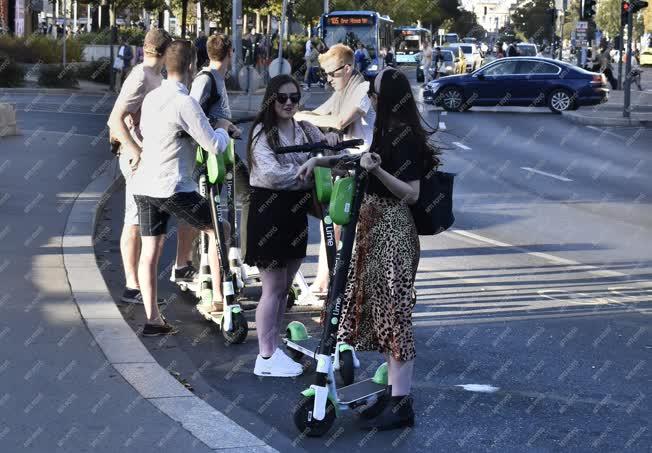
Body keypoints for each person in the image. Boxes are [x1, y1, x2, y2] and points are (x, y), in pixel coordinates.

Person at [332, 67, 438, 430]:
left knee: (395, 315)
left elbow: (411, 193)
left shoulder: (404, 135)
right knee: (381, 313)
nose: (370, 100)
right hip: (375, 229)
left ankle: (402, 402)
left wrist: (375, 172)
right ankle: (393, 394)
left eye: (374, 94)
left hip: (393, 231)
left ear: (388, 98)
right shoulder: (386, 130)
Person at [130, 40, 233, 336]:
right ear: (191, 67)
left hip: (145, 184)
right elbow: (213, 144)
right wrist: (224, 127)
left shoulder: (152, 97)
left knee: (150, 249)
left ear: (165, 64)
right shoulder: (184, 102)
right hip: (173, 186)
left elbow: (146, 132)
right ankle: (218, 298)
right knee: (219, 228)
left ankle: (152, 319)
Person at [244, 74, 340, 376]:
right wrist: (308, 173)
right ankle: (266, 356)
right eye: (282, 97)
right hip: (269, 211)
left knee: (285, 288)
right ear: (271, 99)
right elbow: (271, 175)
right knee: (272, 288)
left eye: (294, 98)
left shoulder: (306, 129)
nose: (288, 103)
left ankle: (273, 345)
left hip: (295, 212)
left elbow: (329, 153)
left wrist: (330, 143)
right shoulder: (262, 133)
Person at [108, 28, 194, 305]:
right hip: (136, 158)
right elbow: (114, 120)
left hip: (151, 158)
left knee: (145, 223)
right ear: (165, 50)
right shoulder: (140, 76)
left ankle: (141, 286)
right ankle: (132, 285)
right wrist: (135, 151)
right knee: (133, 221)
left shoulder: (155, 75)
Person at [294, 43, 376, 295]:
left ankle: (337, 284)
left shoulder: (362, 88)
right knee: (332, 222)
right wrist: (298, 116)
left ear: (348, 68)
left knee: (345, 224)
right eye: (325, 74)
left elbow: (339, 121)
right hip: (345, 163)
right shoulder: (342, 89)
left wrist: (303, 117)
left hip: (362, 166)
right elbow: (318, 114)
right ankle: (325, 280)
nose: (328, 79)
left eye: (332, 73)